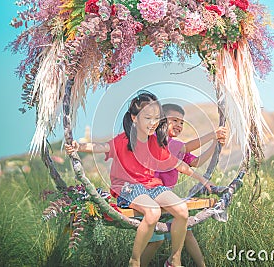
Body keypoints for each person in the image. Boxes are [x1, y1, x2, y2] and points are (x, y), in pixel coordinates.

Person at [65, 91, 214, 267]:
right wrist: (79, 146)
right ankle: (134, 260)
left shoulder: (156, 141)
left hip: (151, 186)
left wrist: (201, 179)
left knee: (182, 210)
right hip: (128, 187)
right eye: (148, 118)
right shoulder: (123, 140)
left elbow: (175, 163)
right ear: (135, 118)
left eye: (156, 118)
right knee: (153, 212)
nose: (153, 123)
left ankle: (175, 258)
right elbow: (101, 147)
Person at [140, 103, 227, 267]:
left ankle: (199, 264)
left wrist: (215, 145)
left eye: (182, 122)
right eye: (174, 120)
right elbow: (186, 147)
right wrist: (213, 135)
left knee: (186, 232)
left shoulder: (175, 146)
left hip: (165, 198)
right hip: (150, 197)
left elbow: (196, 161)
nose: (179, 125)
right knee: (155, 242)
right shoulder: (159, 142)